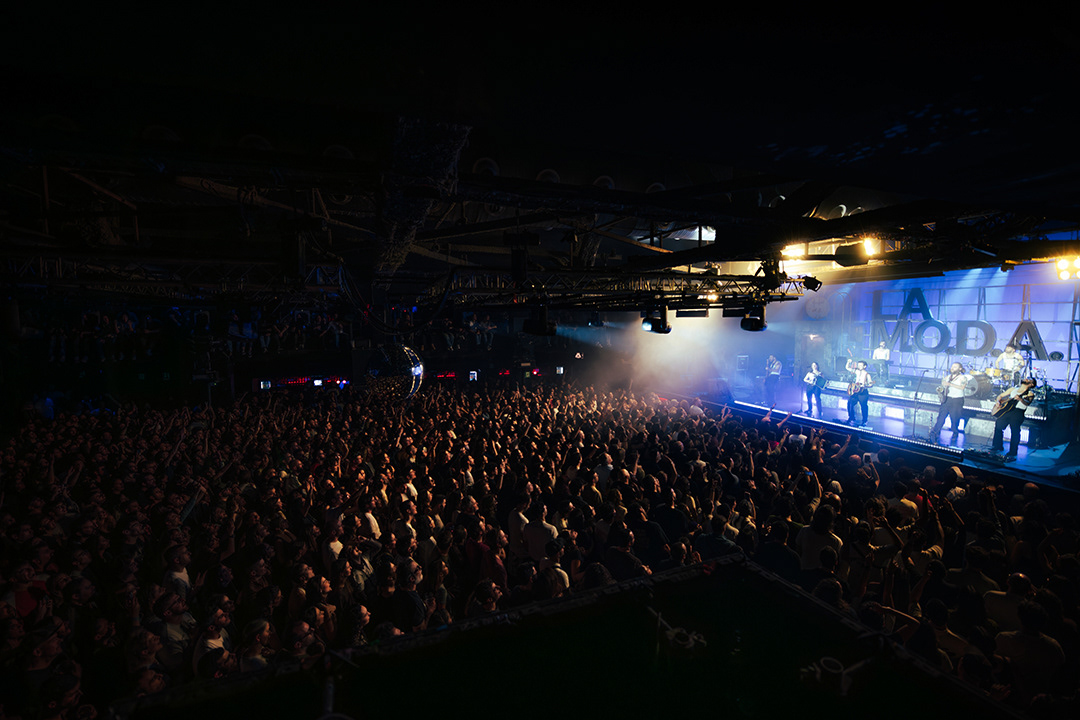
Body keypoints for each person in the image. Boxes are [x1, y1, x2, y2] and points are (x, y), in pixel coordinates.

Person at [991, 377, 1037, 461]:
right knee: (998, 426)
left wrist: (1020, 399)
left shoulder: (1030, 393)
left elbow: (1027, 403)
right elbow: (1000, 396)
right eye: (1026, 378)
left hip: (1018, 412)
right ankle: (997, 446)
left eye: (1029, 379)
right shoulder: (1013, 389)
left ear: (1031, 384)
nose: (1026, 379)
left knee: (1015, 431)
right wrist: (998, 402)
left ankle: (1013, 451)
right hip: (1007, 411)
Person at [930, 362, 972, 444]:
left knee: (955, 418)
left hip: (957, 400)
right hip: (947, 399)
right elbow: (943, 384)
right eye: (952, 367)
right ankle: (935, 432)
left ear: (960, 369)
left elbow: (962, 387)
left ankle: (955, 432)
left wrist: (950, 384)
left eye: (955, 367)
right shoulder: (948, 377)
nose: (952, 368)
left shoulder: (962, 377)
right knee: (941, 416)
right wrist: (942, 386)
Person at [845, 360, 873, 426]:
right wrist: (848, 362)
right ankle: (851, 418)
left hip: (863, 392)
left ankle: (864, 421)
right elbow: (847, 368)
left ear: (864, 366)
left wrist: (865, 385)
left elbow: (871, 384)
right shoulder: (856, 371)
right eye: (858, 365)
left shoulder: (867, 374)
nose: (859, 366)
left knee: (863, 406)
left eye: (860, 365)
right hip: (855, 391)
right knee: (850, 403)